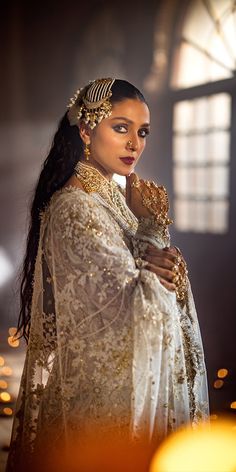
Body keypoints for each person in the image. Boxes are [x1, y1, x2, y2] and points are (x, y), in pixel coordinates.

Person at [7, 78, 209, 470]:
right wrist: (151, 229)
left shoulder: (111, 202)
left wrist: (154, 244)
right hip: (97, 414)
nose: (135, 143)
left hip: (118, 401)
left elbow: (148, 284)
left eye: (143, 132)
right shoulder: (76, 209)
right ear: (85, 129)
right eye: (121, 127)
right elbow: (136, 314)